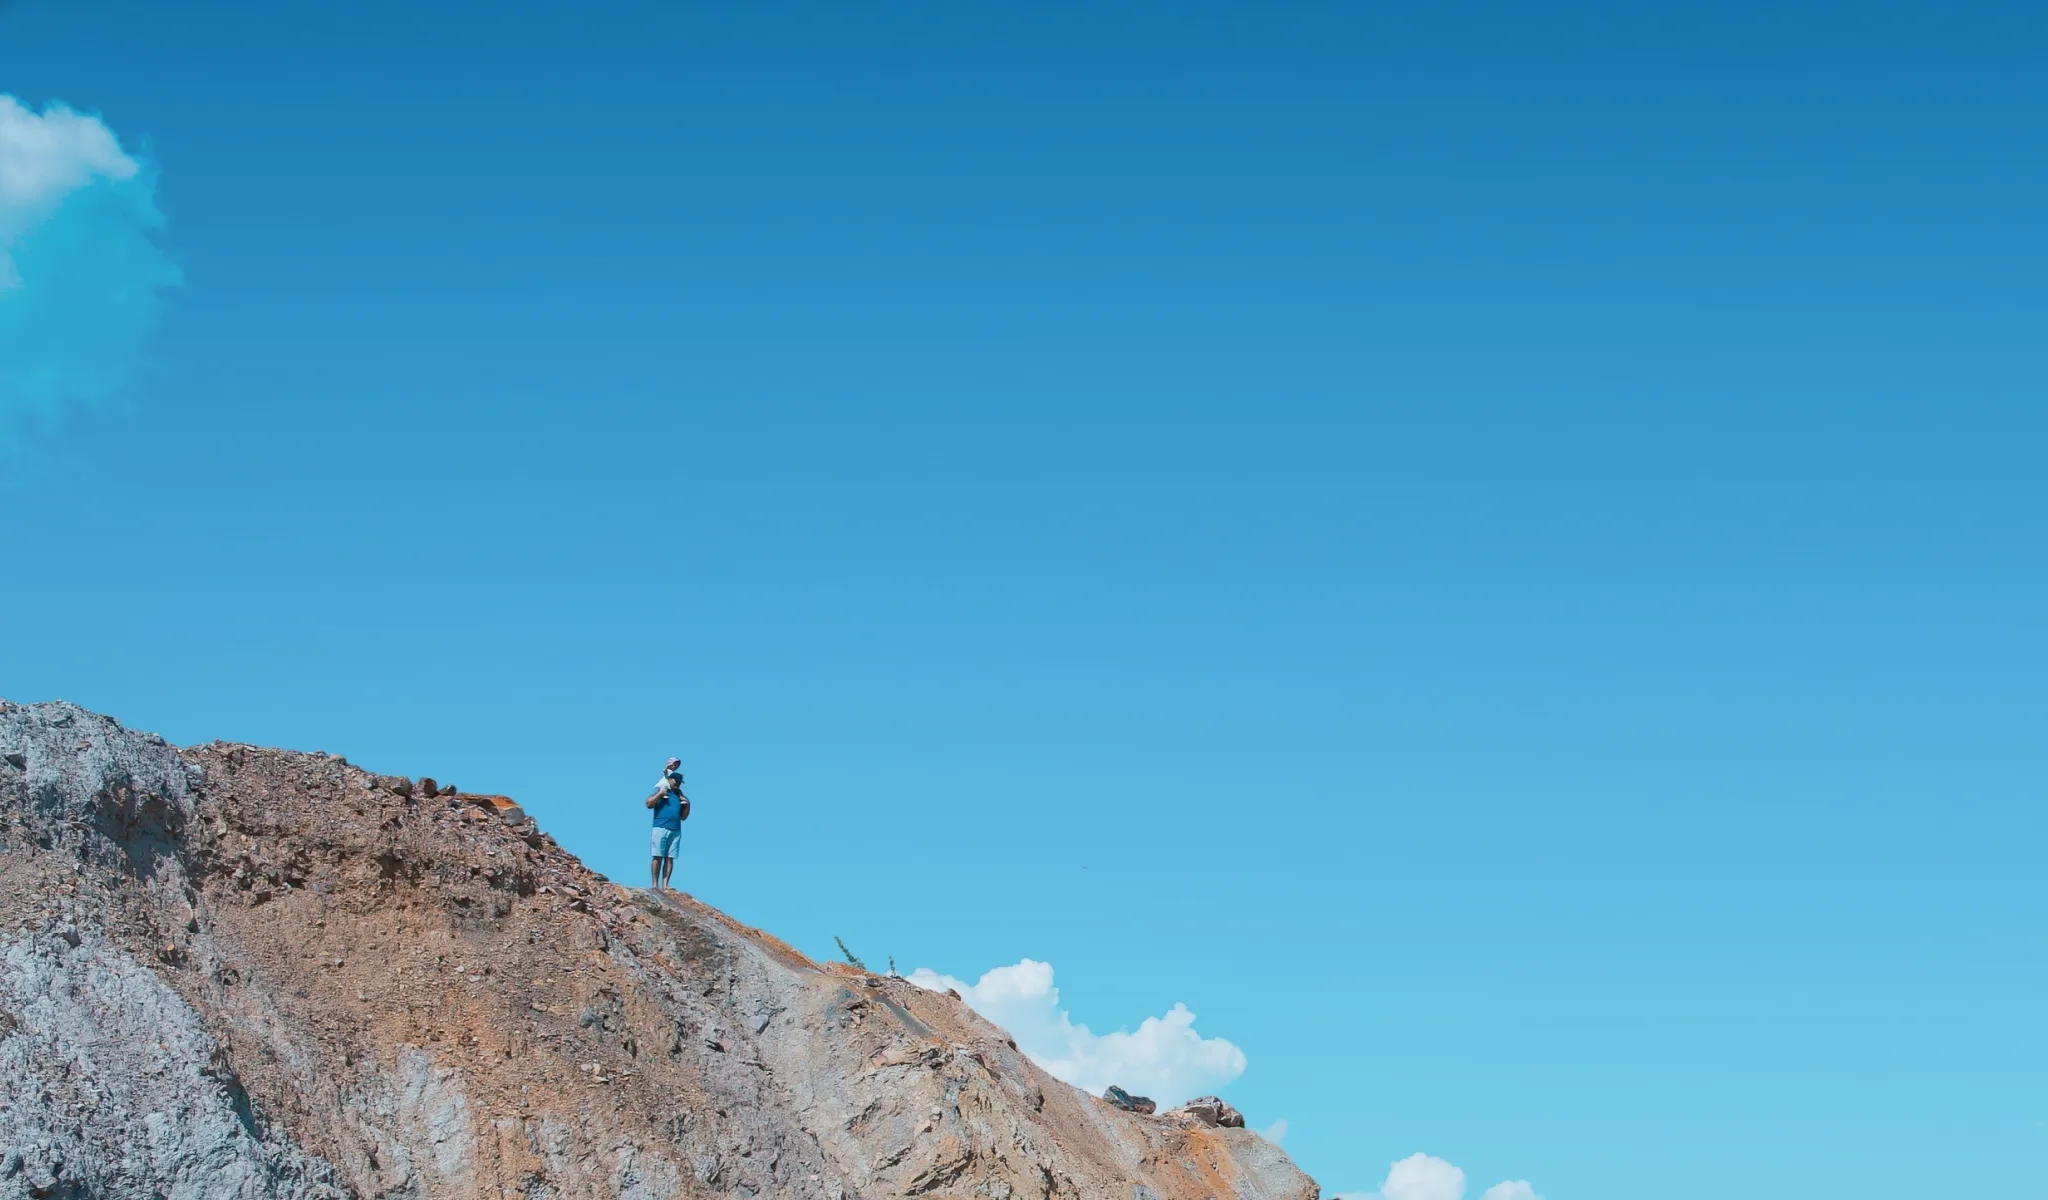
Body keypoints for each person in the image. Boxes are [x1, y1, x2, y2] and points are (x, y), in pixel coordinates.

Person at [646, 756, 689, 890]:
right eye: (676, 781)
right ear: (670, 780)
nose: (678, 784)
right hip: (660, 827)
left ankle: (665, 885)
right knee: (657, 856)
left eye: (680, 782)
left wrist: (687, 805)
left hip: (675, 829)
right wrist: (660, 794)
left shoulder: (679, 795)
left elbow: (683, 817)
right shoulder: (662, 787)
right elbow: (648, 803)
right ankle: (654, 884)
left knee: (670, 858)